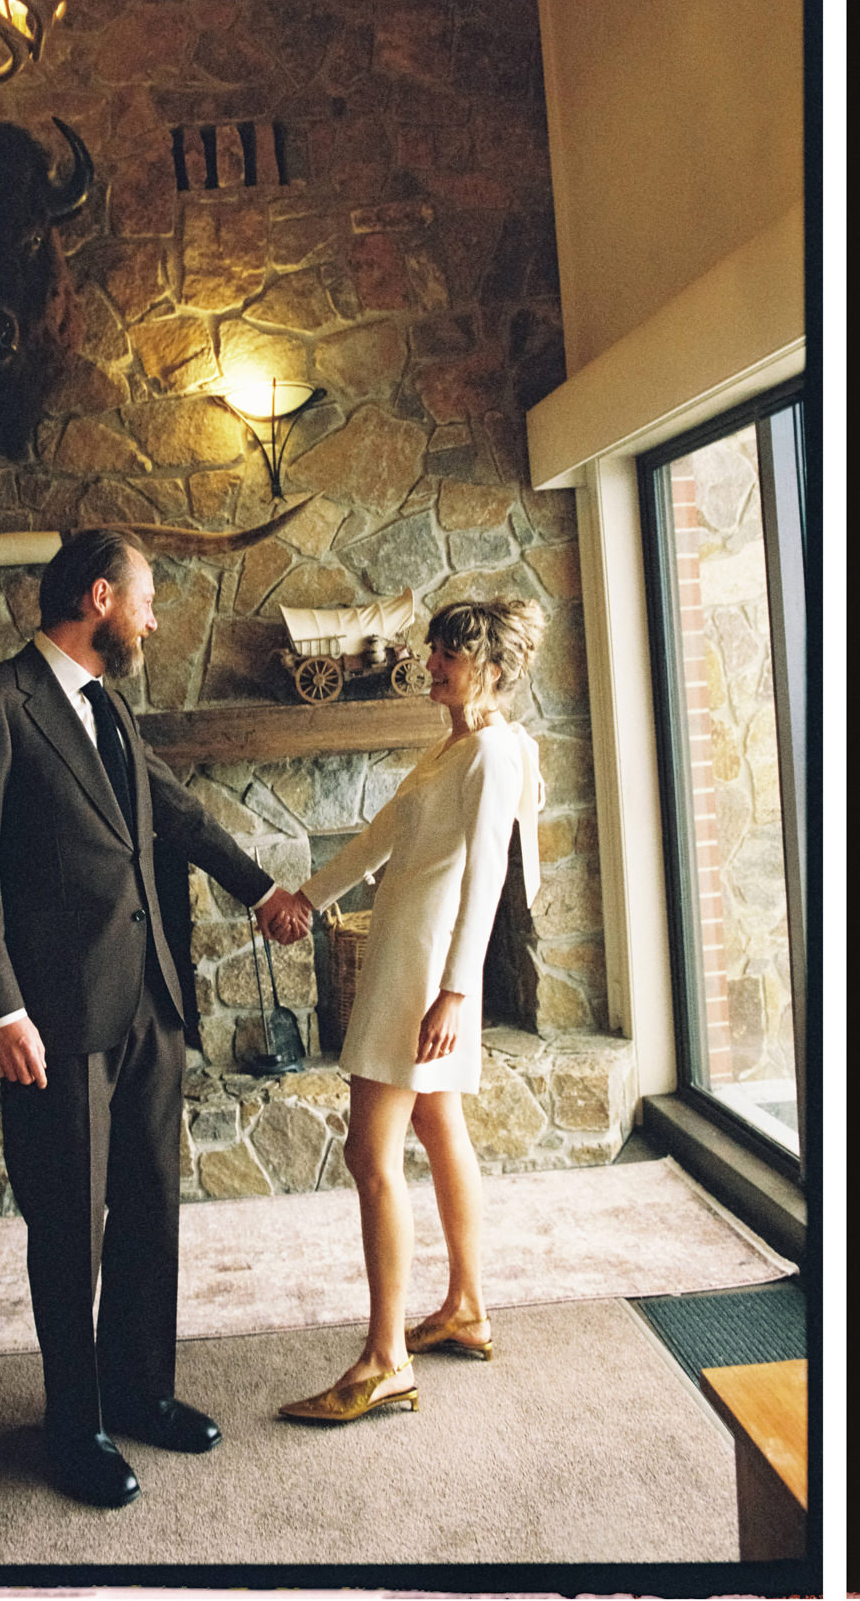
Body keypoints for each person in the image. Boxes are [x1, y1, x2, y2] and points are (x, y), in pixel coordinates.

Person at [0, 529, 311, 1508]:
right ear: (100, 596)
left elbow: (173, 815)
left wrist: (261, 888)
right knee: (68, 1227)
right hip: (52, 1023)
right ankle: (74, 1427)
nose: (153, 620)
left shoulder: (109, 708)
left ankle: (141, 1390)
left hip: (149, 1003)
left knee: (149, 1208)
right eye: (146, 601)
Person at [275, 598, 547, 1425]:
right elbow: (377, 839)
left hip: (426, 970)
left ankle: (386, 1358)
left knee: (370, 1153)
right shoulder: (449, 751)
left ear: (493, 669)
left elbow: (489, 880)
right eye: (434, 650)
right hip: (408, 958)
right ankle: (466, 1306)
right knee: (439, 1129)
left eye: (448, 655)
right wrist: (305, 899)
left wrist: (458, 993)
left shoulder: (494, 755)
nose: (430, 663)